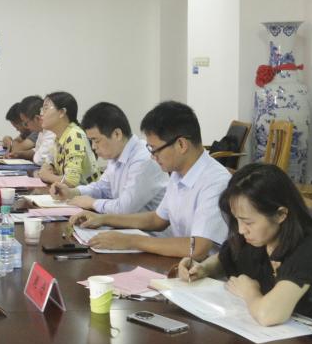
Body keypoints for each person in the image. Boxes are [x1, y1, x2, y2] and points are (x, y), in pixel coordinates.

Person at [178, 163, 312, 344]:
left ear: (281, 214)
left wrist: (250, 292)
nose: (241, 230)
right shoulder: (259, 237)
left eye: (248, 222)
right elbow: (225, 258)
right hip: (287, 338)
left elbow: (268, 315)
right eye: (237, 219)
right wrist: (203, 268)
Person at [71, 100, 230, 259]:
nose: (153, 157)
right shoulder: (178, 172)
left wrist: (131, 241)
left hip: (206, 270)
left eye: (155, 149)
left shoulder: (215, 181)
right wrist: (103, 219)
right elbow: (157, 219)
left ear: (181, 145)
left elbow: (198, 248)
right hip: (182, 264)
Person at [50, 102, 166, 214]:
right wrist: (72, 192)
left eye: (96, 140)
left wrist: (92, 203)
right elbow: (102, 188)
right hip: (123, 223)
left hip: (144, 227)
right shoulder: (117, 154)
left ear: (117, 134)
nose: (93, 147)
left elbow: (124, 208)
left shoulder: (144, 159)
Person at [35, 91, 99, 186]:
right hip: (68, 192)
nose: (41, 114)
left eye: (45, 109)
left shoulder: (74, 136)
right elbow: (48, 162)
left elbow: (71, 181)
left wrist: (47, 176)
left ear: (62, 112)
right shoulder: (59, 136)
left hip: (87, 192)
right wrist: (46, 168)